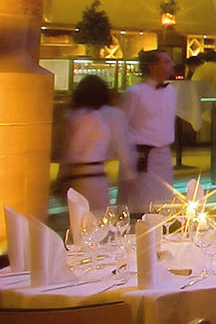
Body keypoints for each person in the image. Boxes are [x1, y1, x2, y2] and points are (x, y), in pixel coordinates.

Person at [120, 50, 178, 213]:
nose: (172, 65)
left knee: (164, 203)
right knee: (141, 206)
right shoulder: (134, 92)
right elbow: (121, 128)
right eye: (166, 62)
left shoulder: (171, 91)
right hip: (141, 157)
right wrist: (127, 170)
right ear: (152, 67)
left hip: (164, 156)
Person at [61, 75, 127, 213]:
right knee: (96, 217)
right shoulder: (91, 117)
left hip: (80, 175)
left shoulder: (73, 116)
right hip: (92, 177)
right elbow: (75, 148)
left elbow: (69, 150)